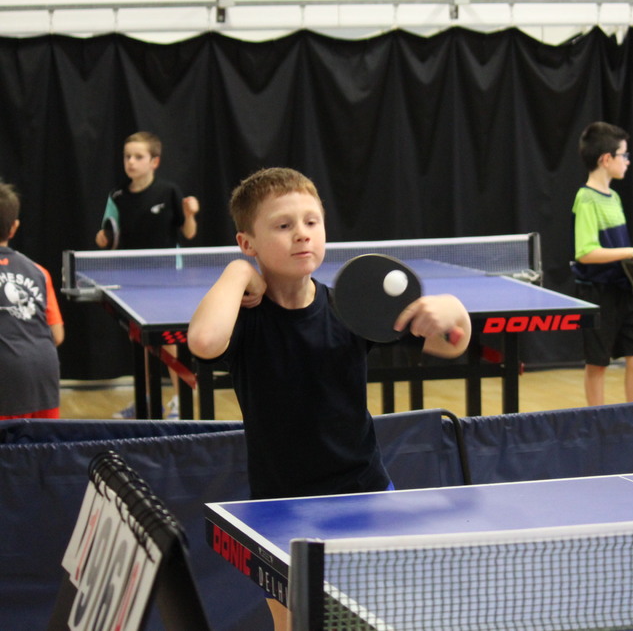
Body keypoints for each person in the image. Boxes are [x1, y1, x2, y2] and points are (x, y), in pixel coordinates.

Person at [187, 167, 470, 631]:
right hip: (280, 506)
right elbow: (203, 341)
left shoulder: (351, 308)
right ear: (247, 242)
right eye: (283, 225)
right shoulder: (246, 320)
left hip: (363, 494)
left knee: (370, 620)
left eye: (311, 221)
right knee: (292, 623)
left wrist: (453, 310)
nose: (302, 233)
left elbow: (451, 344)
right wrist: (237, 272)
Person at [97, 132, 200, 420]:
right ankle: (145, 401)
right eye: (127, 156)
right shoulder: (117, 196)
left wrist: (190, 214)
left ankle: (180, 400)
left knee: (169, 343)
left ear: (154, 161)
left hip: (167, 281)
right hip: (131, 280)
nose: (131, 162)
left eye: (138, 157)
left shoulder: (168, 191)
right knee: (140, 343)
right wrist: (102, 239)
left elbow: (188, 232)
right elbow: (108, 233)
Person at [572, 121, 633, 407]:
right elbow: (585, 253)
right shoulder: (586, 198)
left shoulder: (614, 197)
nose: (627, 161)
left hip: (624, 289)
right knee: (598, 363)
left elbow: (616, 249)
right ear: (606, 159)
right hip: (597, 292)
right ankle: (596, 419)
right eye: (624, 155)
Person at [0, 179, 65, 419]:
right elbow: (57, 335)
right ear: (14, 227)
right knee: (42, 441)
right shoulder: (39, 272)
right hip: (43, 372)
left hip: (5, 374)